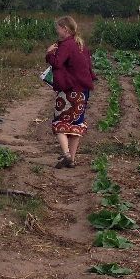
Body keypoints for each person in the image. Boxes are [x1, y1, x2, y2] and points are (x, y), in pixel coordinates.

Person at [45, 15, 95, 168]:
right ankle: (71, 160)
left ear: (65, 29)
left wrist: (49, 53)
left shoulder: (66, 45)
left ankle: (66, 154)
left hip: (70, 90)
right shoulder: (80, 44)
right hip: (83, 90)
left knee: (59, 122)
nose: (57, 31)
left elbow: (57, 63)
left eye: (58, 28)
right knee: (76, 125)